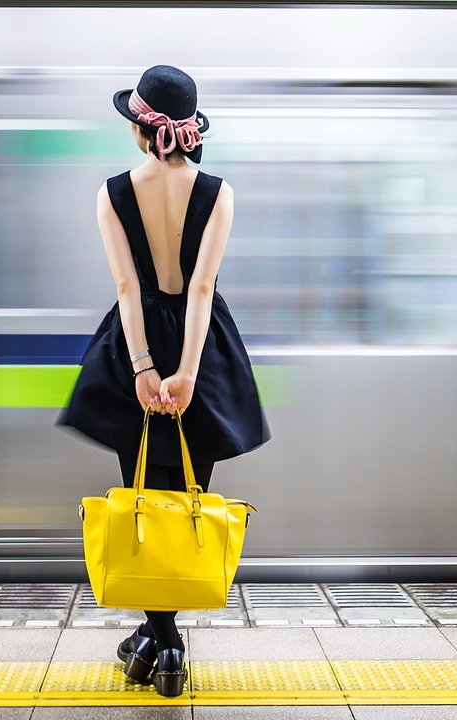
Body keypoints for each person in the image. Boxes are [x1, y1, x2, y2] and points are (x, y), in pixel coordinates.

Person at [56, 65, 270, 698]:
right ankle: (163, 640)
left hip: (134, 347)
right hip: (205, 349)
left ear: (140, 127)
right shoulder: (219, 191)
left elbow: (127, 287)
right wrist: (187, 373)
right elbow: (200, 287)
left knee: (144, 490)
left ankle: (160, 638)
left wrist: (147, 367)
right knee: (189, 491)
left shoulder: (113, 192)